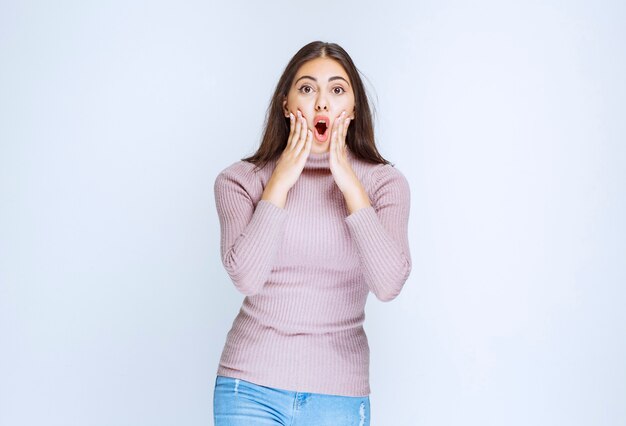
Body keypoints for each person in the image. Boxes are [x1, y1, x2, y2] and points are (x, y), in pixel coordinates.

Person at [212, 40, 412, 426]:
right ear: (286, 104)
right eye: (307, 88)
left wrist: (349, 184)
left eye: (337, 90)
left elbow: (388, 284)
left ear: (353, 108)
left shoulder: (385, 184)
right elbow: (246, 277)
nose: (322, 103)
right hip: (249, 388)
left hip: (339, 395)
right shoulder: (239, 181)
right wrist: (281, 181)